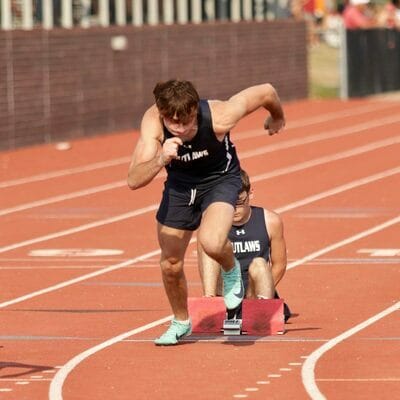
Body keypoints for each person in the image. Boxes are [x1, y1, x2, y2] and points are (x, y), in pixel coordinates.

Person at [127, 79, 285, 345]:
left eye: (188, 121)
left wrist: (277, 116)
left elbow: (267, 91)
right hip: (180, 186)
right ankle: (180, 321)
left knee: (211, 242)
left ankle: (230, 269)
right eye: (174, 123)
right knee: (170, 263)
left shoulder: (220, 115)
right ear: (162, 114)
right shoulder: (153, 123)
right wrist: (161, 158)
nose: (182, 128)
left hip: (220, 180)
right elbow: (133, 179)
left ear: (195, 111)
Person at [198, 168, 291, 321]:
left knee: (259, 264)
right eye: (228, 203)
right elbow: (205, 261)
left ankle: (261, 307)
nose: (234, 209)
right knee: (208, 243)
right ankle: (211, 302)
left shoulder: (270, 221)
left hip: (254, 289)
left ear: (250, 194)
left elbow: (279, 265)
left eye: (240, 202)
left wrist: (261, 291)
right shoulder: (213, 222)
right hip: (226, 289)